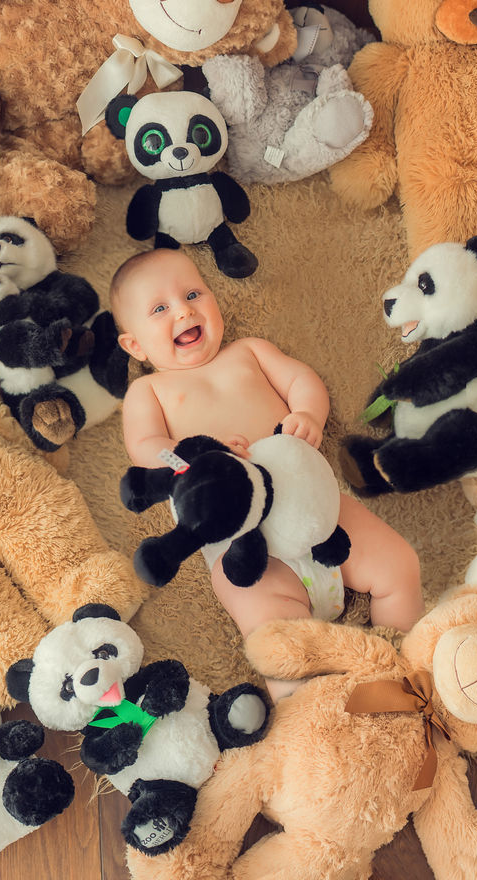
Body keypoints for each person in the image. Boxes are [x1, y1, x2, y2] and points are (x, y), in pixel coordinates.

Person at [111, 248, 424, 698]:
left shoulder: (249, 352)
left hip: (314, 510)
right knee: (277, 640)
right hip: (241, 543)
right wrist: (198, 458)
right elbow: (146, 451)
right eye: (160, 309)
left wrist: (308, 415)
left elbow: (302, 381)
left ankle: (403, 667)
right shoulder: (149, 391)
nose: (183, 310)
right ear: (135, 345)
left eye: (193, 293)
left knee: (399, 564)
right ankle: (310, 712)